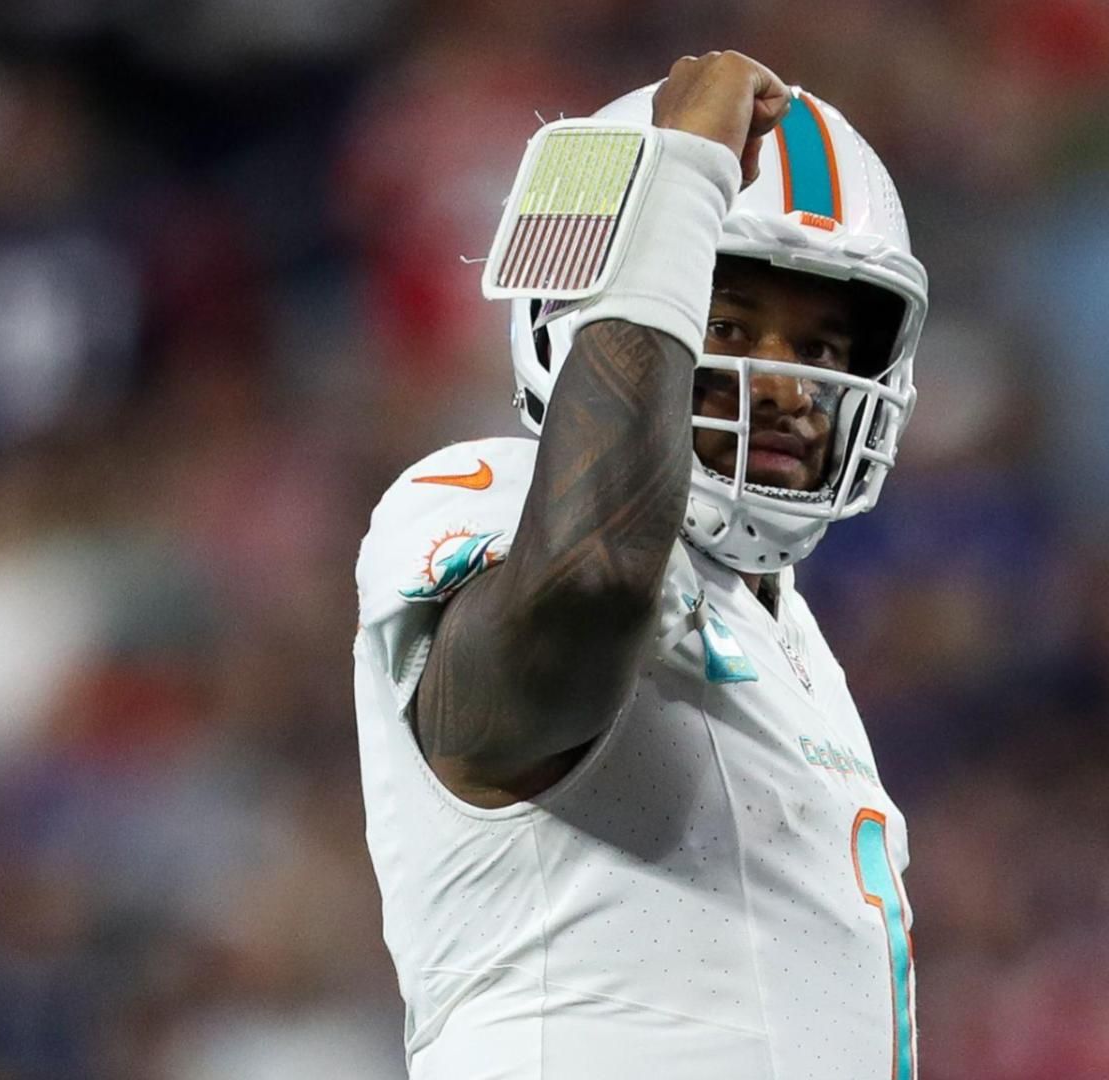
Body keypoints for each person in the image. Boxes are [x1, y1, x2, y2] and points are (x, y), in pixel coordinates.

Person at [351, 52, 927, 1079]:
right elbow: (592, 576)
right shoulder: (486, 492)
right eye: (728, 324)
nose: (791, 388)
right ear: (577, 309)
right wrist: (682, 183)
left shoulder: (793, 640)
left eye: (828, 350)